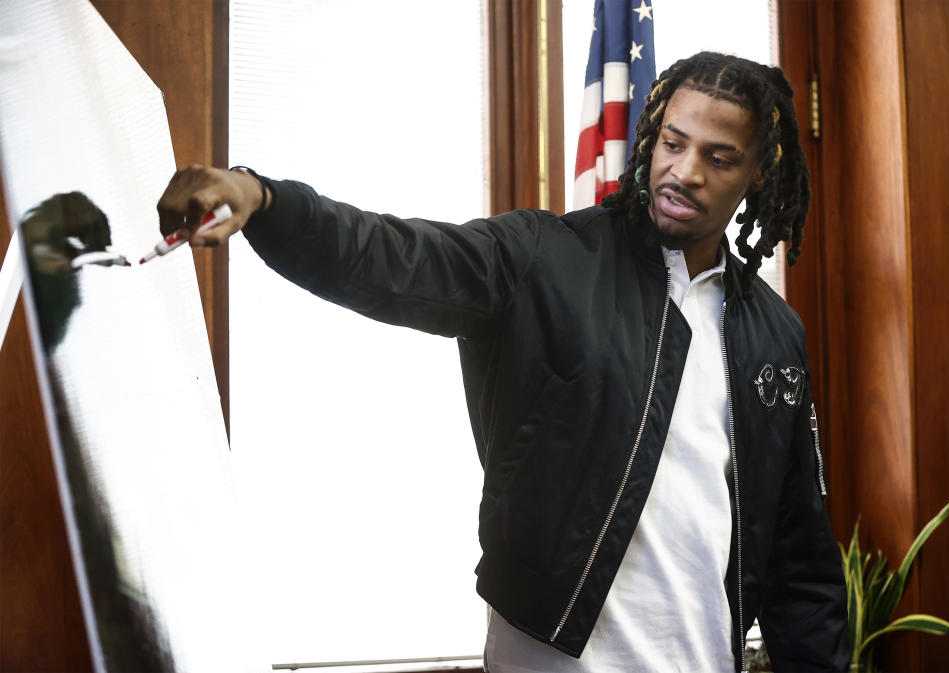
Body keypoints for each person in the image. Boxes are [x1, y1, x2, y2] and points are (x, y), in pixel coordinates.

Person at [158, 52, 849, 672]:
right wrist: (266, 202)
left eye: (718, 157)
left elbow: (800, 558)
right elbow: (395, 255)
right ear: (653, 137)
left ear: (759, 172)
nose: (685, 171)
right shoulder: (546, 258)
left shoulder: (773, 333)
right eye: (673, 142)